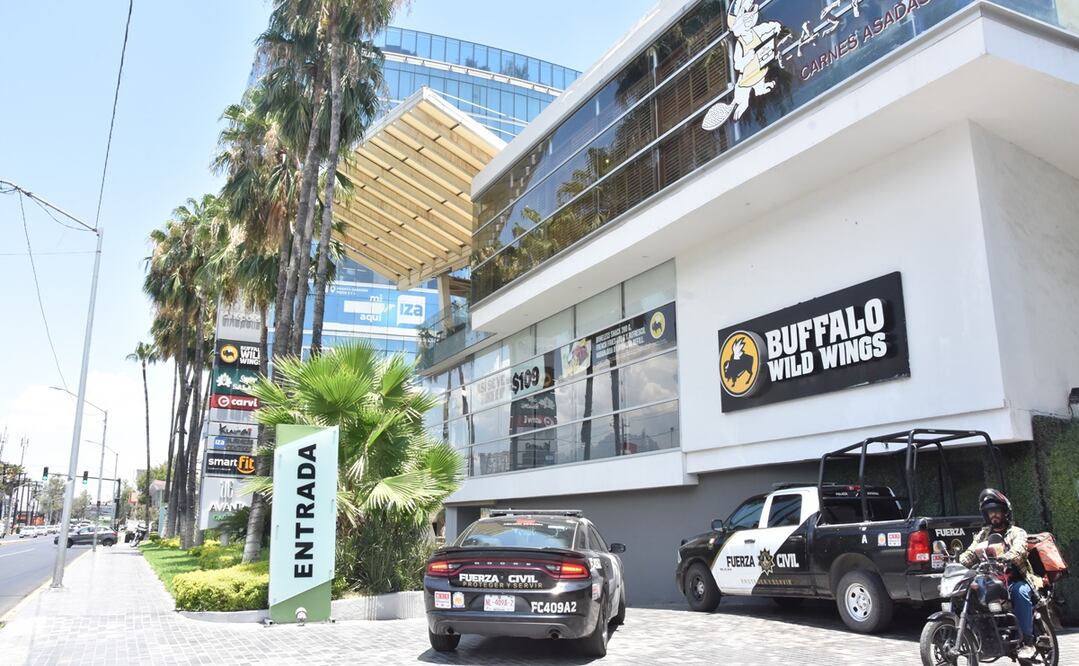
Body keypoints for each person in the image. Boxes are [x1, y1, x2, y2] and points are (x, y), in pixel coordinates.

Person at [959, 488, 1040, 660]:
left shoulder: (1017, 532)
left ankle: (1027, 641)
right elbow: (970, 553)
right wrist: (956, 562)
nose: (993, 515)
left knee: (1020, 592)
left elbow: (1019, 549)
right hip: (991, 581)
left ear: (1005, 512)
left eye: (996, 511)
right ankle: (981, 637)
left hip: (1015, 579)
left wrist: (1006, 557)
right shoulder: (983, 534)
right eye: (990, 512)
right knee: (970, 589)